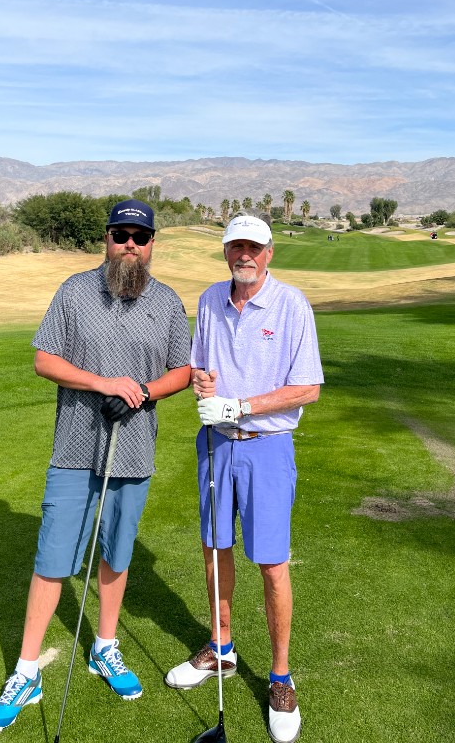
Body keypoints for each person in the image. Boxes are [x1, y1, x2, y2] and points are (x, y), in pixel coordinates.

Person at [0, 199, 191, 734]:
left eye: (140, 237)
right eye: (121, 234)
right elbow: (43, 359)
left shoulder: (166, 302)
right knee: (52, 558)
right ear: (106, 238)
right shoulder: (74, 291)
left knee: (116, 554)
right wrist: (103, 383)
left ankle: (105, 648)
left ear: (151, 245)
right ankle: (27, 673)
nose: (130, 244)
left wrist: (141, 391)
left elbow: (184, 370)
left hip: (134, 450)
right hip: (74, 450)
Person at [165, 213, 323, 743]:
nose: (244, 256)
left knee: (272, 564)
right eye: (236, 247)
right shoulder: (210, 299)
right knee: (215, 549)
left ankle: (280, 677)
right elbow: (199, 368)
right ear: (226, 252)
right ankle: (222, 648)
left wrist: (240, 405)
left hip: (267, 448)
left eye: (254, 248)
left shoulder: (291, 304)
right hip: (214, 446)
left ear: (269, 253)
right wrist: (203, 384)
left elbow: (307, 388)